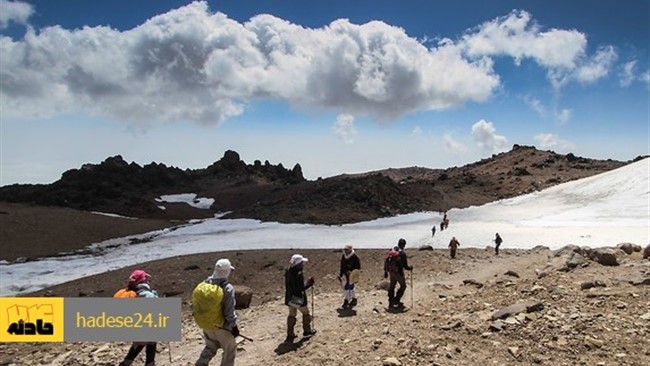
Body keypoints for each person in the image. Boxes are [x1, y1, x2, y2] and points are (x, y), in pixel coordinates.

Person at [195, 259, 238, 366]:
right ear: (226, 271)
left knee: (210, 347)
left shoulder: (204, 284)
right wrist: (234, 327)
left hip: (207, 324)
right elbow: (229, 311)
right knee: (230, 350)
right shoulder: (227, 288)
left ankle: (201, 364)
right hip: (222, 327)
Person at [118, 270, 159, 366]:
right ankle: (149, 363)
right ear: (142, 281)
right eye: (146, 279)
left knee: (141, 342)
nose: (148, 281)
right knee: (150, 340)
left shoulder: (130, 292)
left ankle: (127, 361)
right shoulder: (148, 295)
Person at [284, 254, 317, 342]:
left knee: (292, 314)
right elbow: (301, 288)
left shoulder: (288, 271)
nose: (303, 264)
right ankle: (307, 330)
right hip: (298, 298)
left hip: (290, 297)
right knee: (306, 313)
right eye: (302, 263)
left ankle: (290, 333)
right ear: (299, 264)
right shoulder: (299, 273)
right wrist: (309, 283)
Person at [384, 238, 413, 309]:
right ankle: (396, 300)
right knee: (403, 286)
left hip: (391, 271)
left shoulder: (392, 251)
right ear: (403, 245)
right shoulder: (402, 253)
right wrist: (410, 268)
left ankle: (390, 302)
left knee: (392, 286)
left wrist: (385, 271)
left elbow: (386, 261)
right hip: (398, 272)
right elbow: (405, 266)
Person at [338, 244, 361, 309]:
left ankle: (347, 300)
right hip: (345, 274)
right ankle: (353, 299)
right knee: (346, 287)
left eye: (347, 250)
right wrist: (341, 274)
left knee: (349, 287)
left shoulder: (354, 257)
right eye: (345, 250)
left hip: (352, 275)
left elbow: (358, 267)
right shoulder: (344, 256)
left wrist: (352, 272)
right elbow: (342, 265)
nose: (345, 251)